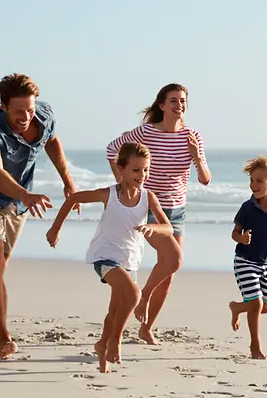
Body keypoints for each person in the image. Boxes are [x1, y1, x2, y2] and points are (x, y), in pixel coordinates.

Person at [0, 73, 80, 360]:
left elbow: (52, 142)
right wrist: (27, 195)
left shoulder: (43, 115)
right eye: (19, 111)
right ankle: (3, 338)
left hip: (18, 201)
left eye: (30, 110)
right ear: (4, 106)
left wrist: (68, 181)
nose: (26, 117)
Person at [46, 142, 174, 373]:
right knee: (134, 295)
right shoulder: (109, 194)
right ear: (121, 169)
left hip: (130, 260)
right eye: (136, 170)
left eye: (146, 170)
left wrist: (153, 229)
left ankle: (102, 346)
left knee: (115, 310)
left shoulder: (148, 197)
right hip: (105, 257)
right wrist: (55, 229)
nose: (142, 175)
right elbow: (73, 198)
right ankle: (115, 340)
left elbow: (168, 227)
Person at [105, 83, 211, 345]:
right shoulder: (146, 132)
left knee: (169, 272)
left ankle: (146, 327)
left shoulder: (193, 136)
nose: (179, 105)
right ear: (162, 105)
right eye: (173, 100)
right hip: (150, 208)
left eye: (183, 101)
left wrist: (197, 157)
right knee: (174, 259)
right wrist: (124, 183)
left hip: (178, 210)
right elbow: (112, 150)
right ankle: (143, 296)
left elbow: (205, 179)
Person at [228, 154, 267, 360]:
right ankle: (255, 347)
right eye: (251, 180)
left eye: (258, 181)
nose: (253, 185)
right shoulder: (247, 208)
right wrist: (242, 239)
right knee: (256, 304)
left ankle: (237, 307)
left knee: (265, 308)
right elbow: (234, 233)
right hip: (245, 260)